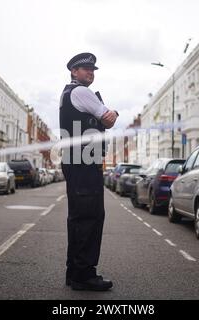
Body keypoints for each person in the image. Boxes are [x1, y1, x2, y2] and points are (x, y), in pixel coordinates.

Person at [59, 53, 118, 291]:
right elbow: (108, 119)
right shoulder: (81, 92)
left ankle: (74, 272)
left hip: (75, 160)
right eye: (85, 69)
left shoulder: (67, 93)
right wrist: (112, 113)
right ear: (74, 72)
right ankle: (84, 275)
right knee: (90, 218)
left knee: (78, 217)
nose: (90, 72)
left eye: (92, 69)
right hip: (84, 161)